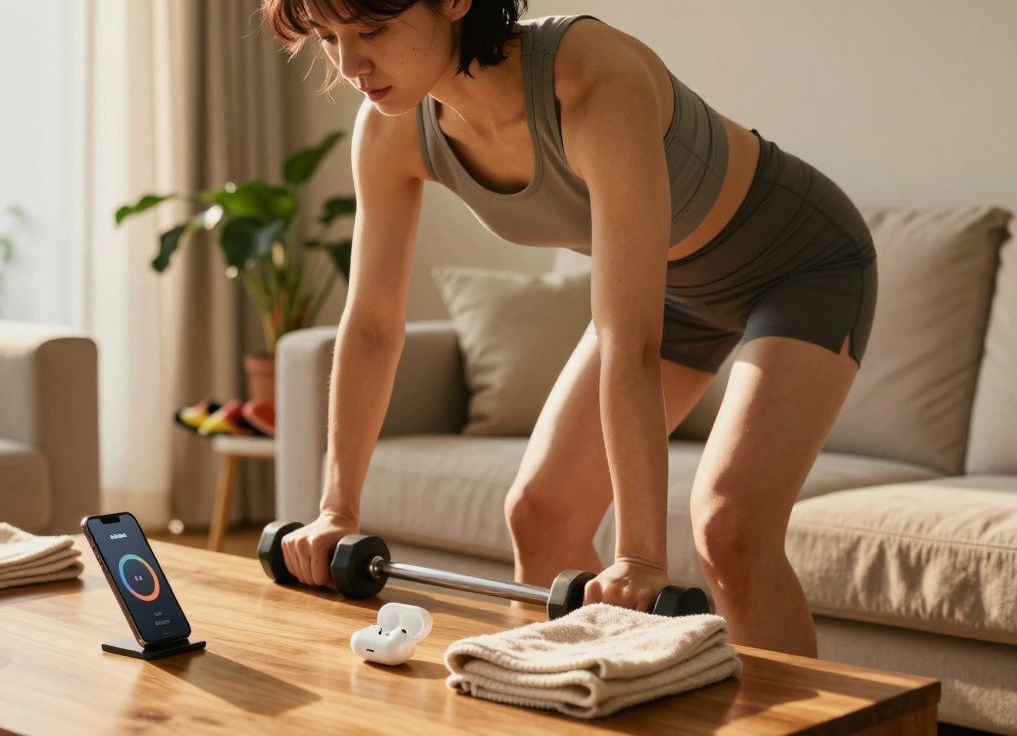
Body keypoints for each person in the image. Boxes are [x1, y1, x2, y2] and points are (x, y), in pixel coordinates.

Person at [260, 0, 877, 658]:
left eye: (373, 30)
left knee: (729, 529)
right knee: (541, 513)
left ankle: (810, 713)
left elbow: (629, 342)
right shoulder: (392, 129)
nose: (351, 65)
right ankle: (583, 694)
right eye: (328, 39)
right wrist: (336, 512)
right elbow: (373, 326)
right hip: (671, 290)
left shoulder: (593, 80)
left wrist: (640, 557)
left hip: (799, 267)